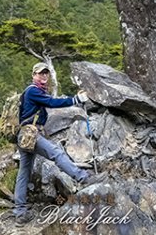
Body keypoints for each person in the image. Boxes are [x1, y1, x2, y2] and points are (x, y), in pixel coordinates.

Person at [13, 62, 106, 224]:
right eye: (40, 73)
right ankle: (83, 178)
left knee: (24, 172)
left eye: (46, 73)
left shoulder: (33, 92)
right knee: (56, 153)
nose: (43, 76)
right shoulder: (33, 91)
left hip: (23, 136)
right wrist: (75, 99)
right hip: (31, 134)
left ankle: (20, 212)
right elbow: (52, 103)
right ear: (33, 75)